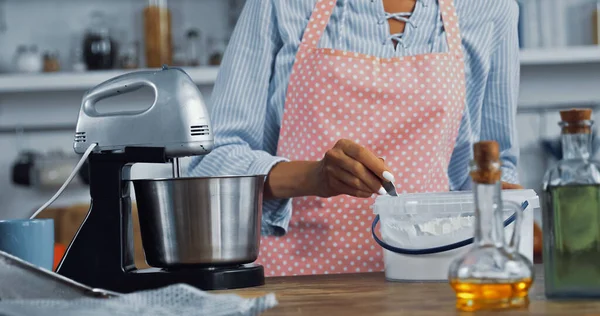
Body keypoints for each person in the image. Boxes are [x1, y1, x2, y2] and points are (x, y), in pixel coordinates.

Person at [188, 0, 522, 276]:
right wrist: (315, 176)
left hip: (430, 281)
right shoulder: (281, 4)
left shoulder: (490, 8)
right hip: (294, 287)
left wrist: (510, 202)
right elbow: (209, 165)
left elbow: (494, 167)